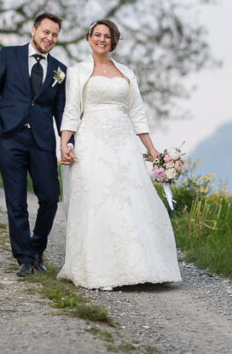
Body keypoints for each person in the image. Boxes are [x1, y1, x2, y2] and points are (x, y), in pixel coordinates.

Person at [57, 19, 181, 290]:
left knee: (132, 199)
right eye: (97, 35)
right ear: (89, 38)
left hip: (123, 142)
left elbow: (137, 113)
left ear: (114, 41)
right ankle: (103, 270)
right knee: (99, 199)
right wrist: (65, 145)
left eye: (107, 36)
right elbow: (71, 111)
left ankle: (142, 267)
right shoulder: (77, 72)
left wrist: (152, 151)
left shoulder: (126, 72)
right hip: (92, 142)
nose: (102, 39)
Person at [0, 12, 72, 277]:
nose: (50, 38)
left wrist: (66, 143)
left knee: (49, 197)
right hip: (9, 137)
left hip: (42, 141)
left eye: (55, 34)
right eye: (46, 32)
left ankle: (36, 248)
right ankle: (23, 258)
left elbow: (60, 110)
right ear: (33, 30)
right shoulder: (8, 55)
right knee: (16, 201)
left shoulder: (60, 70)